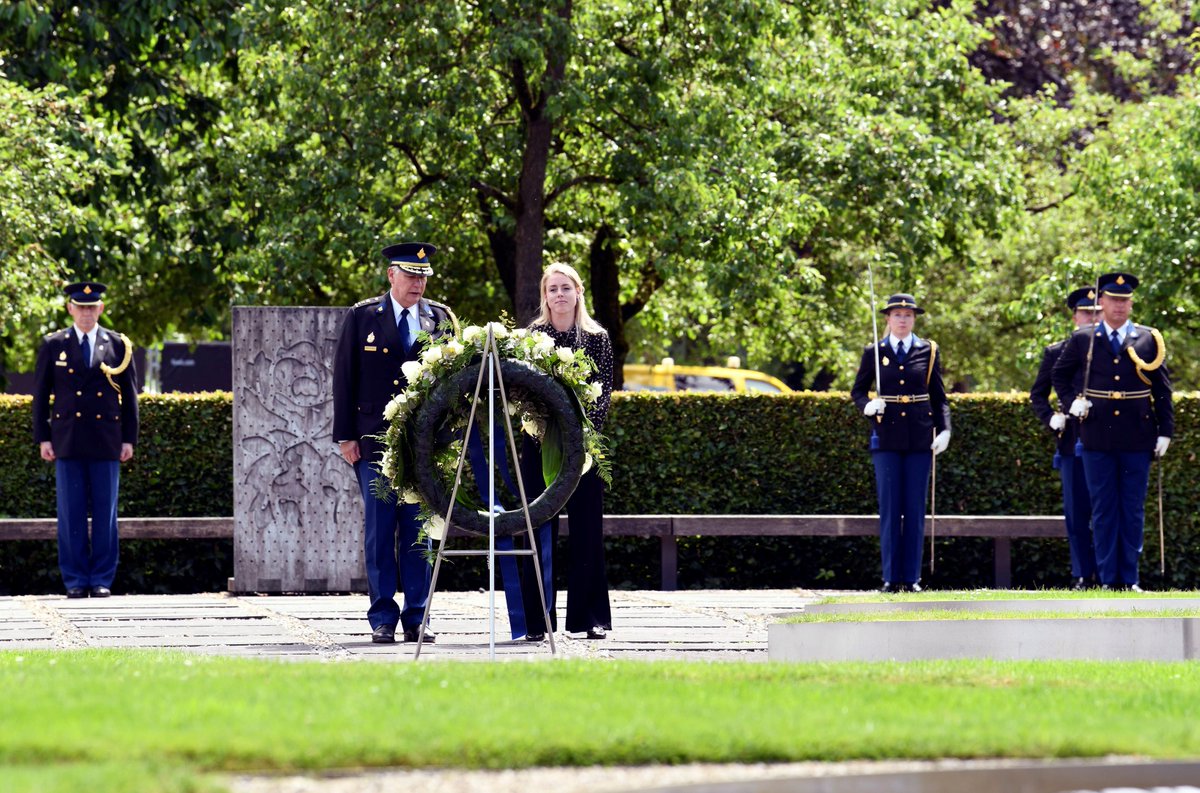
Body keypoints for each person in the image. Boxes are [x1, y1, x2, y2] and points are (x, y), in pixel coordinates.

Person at [333, 242, 458, 643]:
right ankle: (383, 616)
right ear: (391, 275)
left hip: (424, 444)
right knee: (380, 530)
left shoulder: (440, 319)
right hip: (373, 440)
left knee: (419, 530)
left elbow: (454, 383)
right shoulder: (363, 316)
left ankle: (418, 616)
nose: (417, 283)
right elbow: (344, 377)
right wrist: (345, 436)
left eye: (423, 276)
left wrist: (451, 440)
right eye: (410, 275)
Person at [1052, 272, 1172, 592]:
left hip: (1137, 435)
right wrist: (1072, 402)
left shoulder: (1148, 339)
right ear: (1101, 302)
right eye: (1113, 300)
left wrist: (1166, 431)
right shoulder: (1084, 338)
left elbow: (1162, 390)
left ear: (1131, 304)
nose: (1119, 306)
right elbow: (1059, 376)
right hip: (1097, 436)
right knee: (1104, 510)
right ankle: (1108, 579)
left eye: (1124, 300)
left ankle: (1129, 578)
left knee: (1132, 509)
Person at [519, 263, 614, 640]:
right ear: (545, 296)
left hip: (583, 446)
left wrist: (578, 433)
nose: (559, 294)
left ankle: (589, 618)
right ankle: (537, 621)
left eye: (565, 288)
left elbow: (603, 392)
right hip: (539, 443)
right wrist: (546, 428)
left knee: (587, 532)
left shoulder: (597, 338)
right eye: (552, 289)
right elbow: (522, 391)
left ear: (578, 293)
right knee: (537, 529)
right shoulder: (533, 336)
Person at [32, 281, 139, 598]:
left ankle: (102, 578)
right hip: (68, 439)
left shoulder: (117, 344)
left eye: (92, 307)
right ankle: (76, 579)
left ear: (101, 309)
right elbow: (40, 396)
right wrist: (43, 438)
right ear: (70, 309)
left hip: (106, 439)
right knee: (71, 514)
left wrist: (129, 439)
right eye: (81, 307)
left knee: (106, 514)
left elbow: (130, 396)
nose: (86, 313)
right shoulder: (54, 344)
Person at [850, 293, 951, 593]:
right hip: (887, 438)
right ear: (888, 318)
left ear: (914, 319)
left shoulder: (928, 350)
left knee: (915, 509)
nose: (903, 320)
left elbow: (939, 396)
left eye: (908, 315)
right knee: (891, 509)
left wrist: (945, 430)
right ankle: (891, 577)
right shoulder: (875, 351)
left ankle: (912, 578)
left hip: (920, 437)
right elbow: (858, 391)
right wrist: (868, 406)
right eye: (897, 315)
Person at [1030, 286, 1102, 589]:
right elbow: (1038, 394)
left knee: (1105, 510)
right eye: (1086, 313)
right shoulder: (1057, 351)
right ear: (1074, 317)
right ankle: (1083, 573)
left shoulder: (1114, 350)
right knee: (1077, 513)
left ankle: (1106, 572)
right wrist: (1051, 418)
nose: (1092, 318)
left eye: (1097, 313)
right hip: (1072, 440)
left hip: (1105, 440)